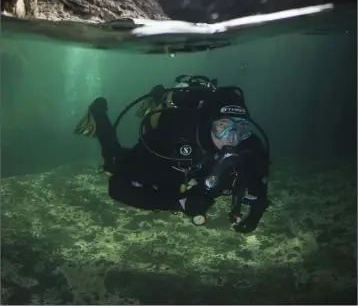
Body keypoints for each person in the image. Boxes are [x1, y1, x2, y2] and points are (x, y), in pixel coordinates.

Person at [74, 80, 270, 233]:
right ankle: (98, 113)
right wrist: (178, 203)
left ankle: (158, 95)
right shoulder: (171, 137)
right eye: (223, 127)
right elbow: (117, 188)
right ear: (208, 123)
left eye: (241, 128)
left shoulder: (249, 144)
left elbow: (258, 187)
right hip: (166, 168)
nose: (232, 139)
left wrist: (254, 216)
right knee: (114, 163)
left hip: (190, 177)